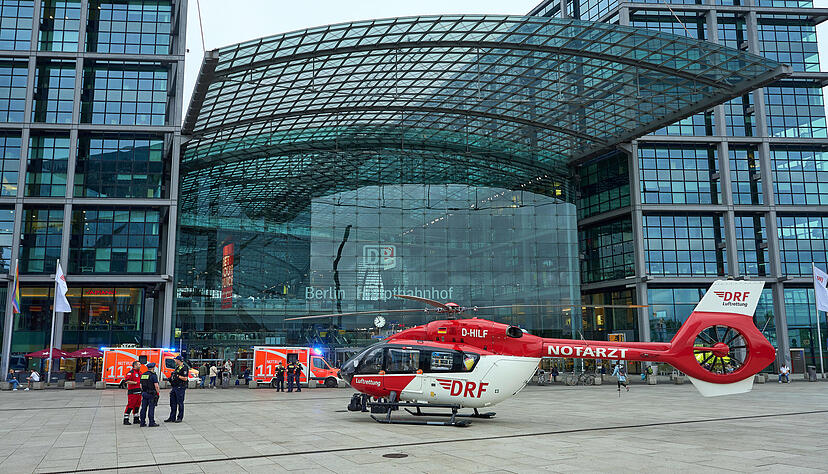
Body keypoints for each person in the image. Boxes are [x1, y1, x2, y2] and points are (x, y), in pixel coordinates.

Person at [164, 356, 189, 423]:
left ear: (179, 360)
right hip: (175, 387)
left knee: (180, 403)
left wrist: (177, 376)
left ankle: (179, 417)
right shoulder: (177, 367)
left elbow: (185, 378)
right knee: (172, 403)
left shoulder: (184, 368)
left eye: (176, 360)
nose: (175, 361)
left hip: (180, 387)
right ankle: (172, 417)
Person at [139, 362, 160, 427]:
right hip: (151, 394)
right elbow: (156, 386)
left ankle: (142, 422)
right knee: (151, 408)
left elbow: (140, 385)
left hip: (144, 393)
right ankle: (151, 422)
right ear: (153, 368)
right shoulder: (153, 375)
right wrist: (158, 393)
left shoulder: (144, 374)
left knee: (143, 408)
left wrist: (143, 391)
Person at [123, 361, 142, 425]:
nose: (140, 365)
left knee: (137, 405)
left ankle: (136, 419)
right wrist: (135, 383)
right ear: (135, 365)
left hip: (139, 392)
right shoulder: (131, 373)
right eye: (139, 364)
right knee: (130, 405)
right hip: (132, 392)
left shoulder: (140, 372)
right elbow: (126, 381)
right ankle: (126, 419)